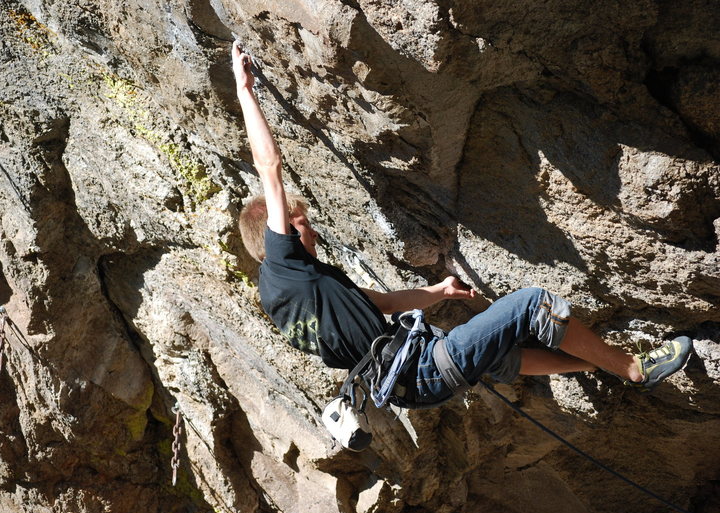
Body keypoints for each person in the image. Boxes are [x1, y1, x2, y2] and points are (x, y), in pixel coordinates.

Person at [231, 41, 692, 406]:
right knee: (532, 304)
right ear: (284, 231)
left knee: (501, 357)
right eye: (303, 222)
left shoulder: (287, 296)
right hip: (425, 367)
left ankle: (594, 362)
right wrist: (244, 91)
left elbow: (382, 302)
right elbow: (268, 167)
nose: (312, 230)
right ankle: (634, 369)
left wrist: (438, 294)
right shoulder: (286, 261)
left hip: (414, 386)